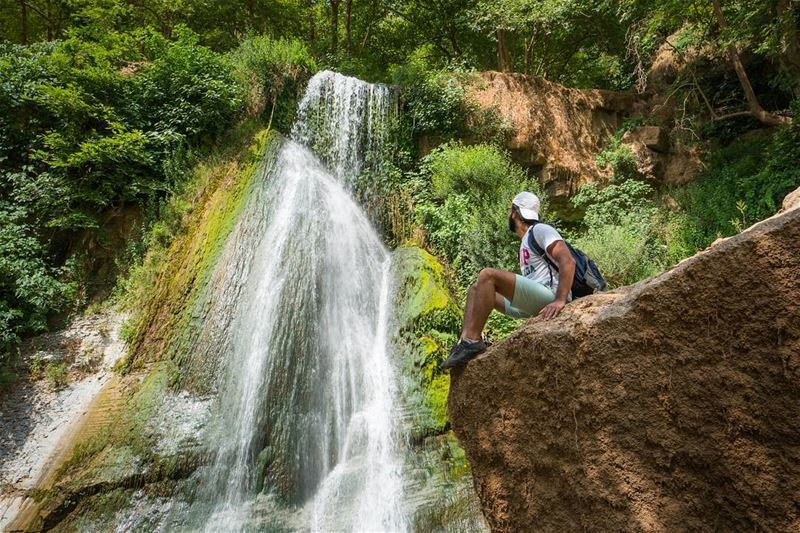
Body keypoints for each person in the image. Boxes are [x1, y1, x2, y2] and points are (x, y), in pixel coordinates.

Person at [440, 191, 576, 370]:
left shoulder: (541, 230)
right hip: (533, 302)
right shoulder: (526, 240)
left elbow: (568, 260)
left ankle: (472, 340)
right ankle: (465, 342)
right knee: (475, 289)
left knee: (487, 275)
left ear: (514, 212)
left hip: (549, 296)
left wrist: (559, 300)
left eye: (509, 211)